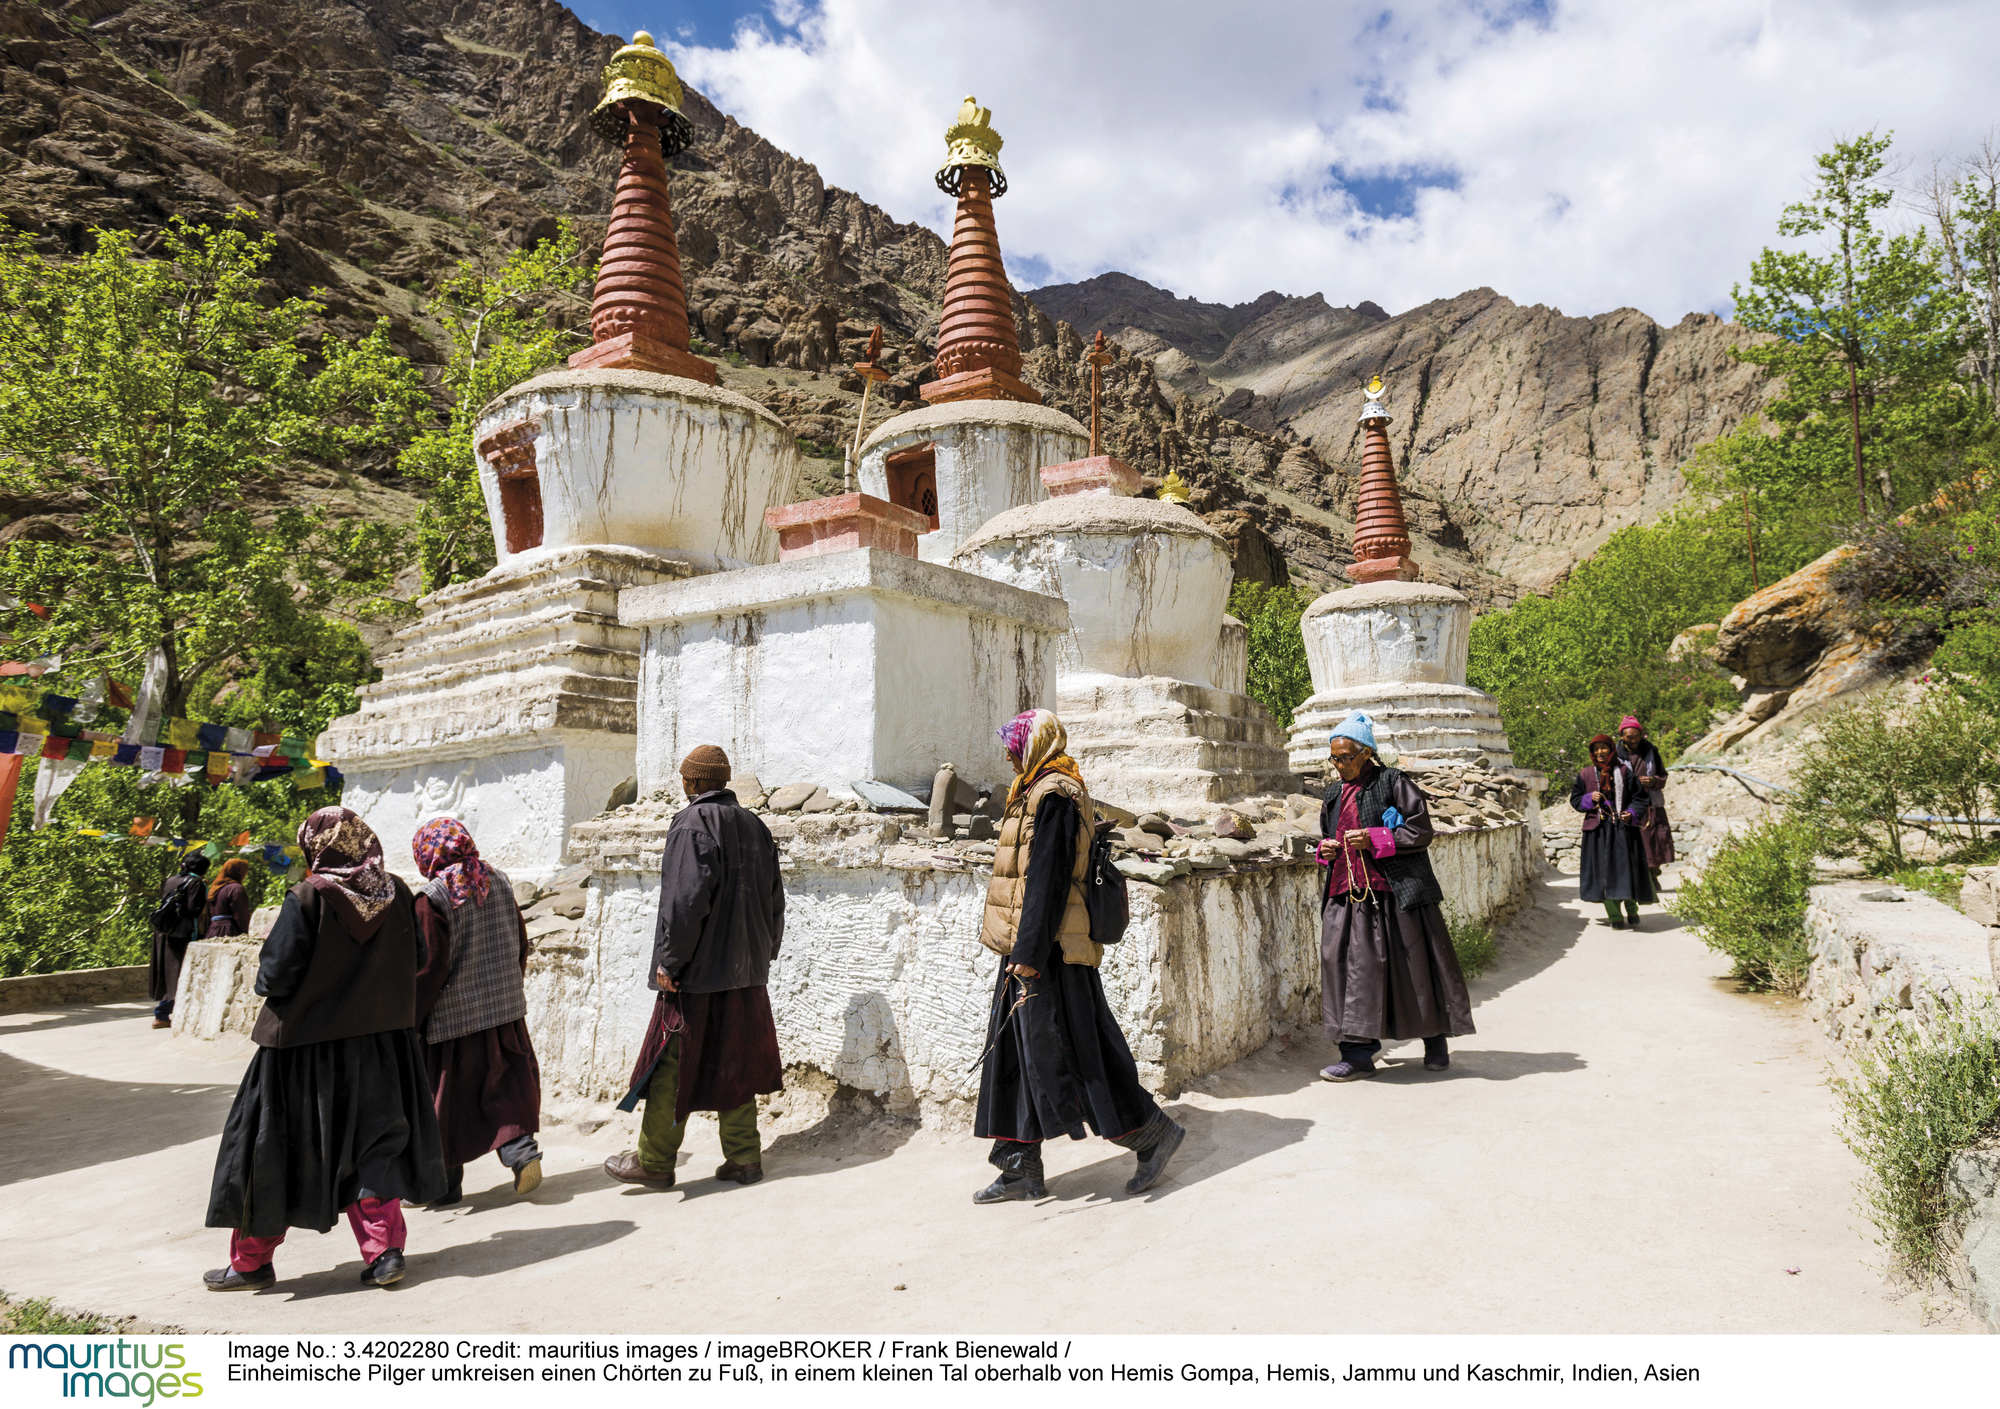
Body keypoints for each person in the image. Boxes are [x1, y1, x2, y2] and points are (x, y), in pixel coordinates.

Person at [203, 807, 446, 1291]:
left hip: (301, 1051)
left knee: (276, 1150)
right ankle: (384, 1254)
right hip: (381, 1046)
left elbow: (273, 976)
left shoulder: (309, 897)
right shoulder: (397, 893)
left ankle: (251, 1262)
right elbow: (417, 959)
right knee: (375, 1147)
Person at [972, 709, 1185, 1202]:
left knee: (1070, 1053)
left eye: (1014, 744)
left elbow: (1046, 878)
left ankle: (1149, 1131)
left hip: (1051, 951)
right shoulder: (1034, 788)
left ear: (1035, 745)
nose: (1008, 753)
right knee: (1018, 1054)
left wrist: (1029, 953)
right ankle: (1018, 1162)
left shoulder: (1055, 796)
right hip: (1027, 944)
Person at [604, 745, 785, 1189]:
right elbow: (775, 900)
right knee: (735, 1058)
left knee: (671, 1063)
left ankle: (655, 1160)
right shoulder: (755, 826)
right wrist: (766, 952)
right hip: (746, 971)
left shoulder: (691, 823)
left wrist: (671, 959)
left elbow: (685, 902)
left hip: (698, 973)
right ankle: (744, 1157)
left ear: (691, 782)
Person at [1315, 712, 1475, 1082]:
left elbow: (1421, 831)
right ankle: (1356, 1055)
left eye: (1346, 758)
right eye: (1334, 759)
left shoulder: (1393, 782)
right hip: (1348, 894)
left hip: (1395, 893)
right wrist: (1326, 851)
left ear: (1367, 753)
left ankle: (1434, 1041)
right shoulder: (1333, 793)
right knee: (1346, 969)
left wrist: (1375, 838)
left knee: (1413, 968)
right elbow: (1328, 835)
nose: (1339, 766)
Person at [411, 817, 543, 1206]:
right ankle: (520, 1150)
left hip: (452, 1019)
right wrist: (509, 987)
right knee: (506, 1086)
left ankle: (444, 1186)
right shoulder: (498, 880)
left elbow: (429, 966)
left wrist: (413, 1017)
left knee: (447, 1102)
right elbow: (520, 940)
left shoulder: (431, 897)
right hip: (503, 1010)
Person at [1571, 734, 1654, 930]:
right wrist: (1589, 798)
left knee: (1627, 871)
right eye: (1596, 749)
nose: (1600, 752)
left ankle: (1632, 909)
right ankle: (1615, 916)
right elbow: (1575, 800)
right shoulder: (1585, 775)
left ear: (1611, 749)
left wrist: (1631, 813)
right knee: (1603, 875)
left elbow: (1641, 798)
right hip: (1598, 833)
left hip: (1623, 830)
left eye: (1604, 748)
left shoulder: (1625, 772)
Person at [148, 854, 209, 1029]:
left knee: (167, 973)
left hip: (164, 931)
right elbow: (193, 909)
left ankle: (164, 1012)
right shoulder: (196, 883)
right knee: (178, 972)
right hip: (181, 933)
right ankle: (161, 1013)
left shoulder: (171, 880)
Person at [1616, 714, 1675, 891]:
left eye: (1636, 735)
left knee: (1656, 842)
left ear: (1641, 734)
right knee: (1632, 843)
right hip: (1630, 806)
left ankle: (1653, 877)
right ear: (1622, 737)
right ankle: (1635, 880)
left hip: (1652, 805)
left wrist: (1654, 781)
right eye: (1629, 736)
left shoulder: (1651, 751)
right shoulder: (1617, 755)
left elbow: (1663, 774)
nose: (1633, 739)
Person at [202, 858, 253, 940]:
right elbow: (241, 915)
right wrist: (248, 931)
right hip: (229, 931)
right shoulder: (235, 888)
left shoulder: (215, 888)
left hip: (212, 931)